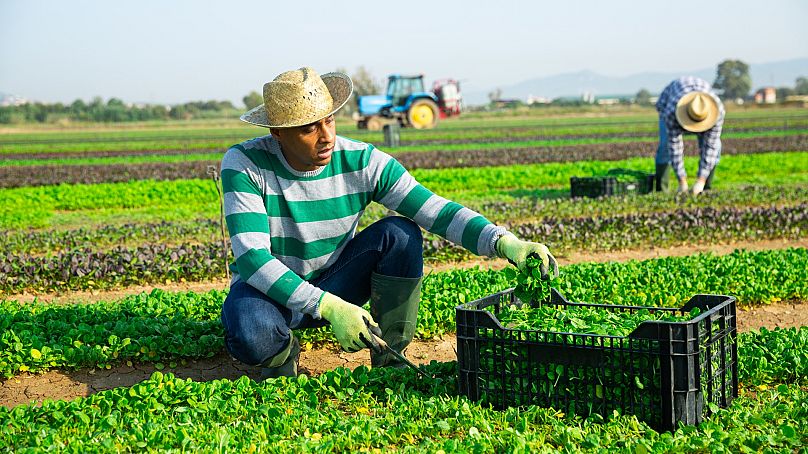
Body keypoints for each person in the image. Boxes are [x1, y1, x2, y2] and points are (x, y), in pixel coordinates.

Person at [219, 67, 558, 379]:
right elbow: (253, 258)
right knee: (251, 331)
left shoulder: (363, 162)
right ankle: (282, 355)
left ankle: (390, 355)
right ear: (278, 132)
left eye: (330, 121)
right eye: (309, 128)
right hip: (270, 293)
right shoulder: (246, 164)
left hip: (336, 279)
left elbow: (435, 211)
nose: (326, 137)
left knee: (400, 234)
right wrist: (329, 307)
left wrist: (504, 242)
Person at [654, 76, 725, 195]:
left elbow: (710, 147)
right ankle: (662, 190)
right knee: (665, 147)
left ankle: (705, 187)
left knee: (715, 148)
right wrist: (682, 182)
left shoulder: (717, 112)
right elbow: (675, 148)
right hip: (668, 104)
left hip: (702, 107)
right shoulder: (671, 112)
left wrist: (700, 181)